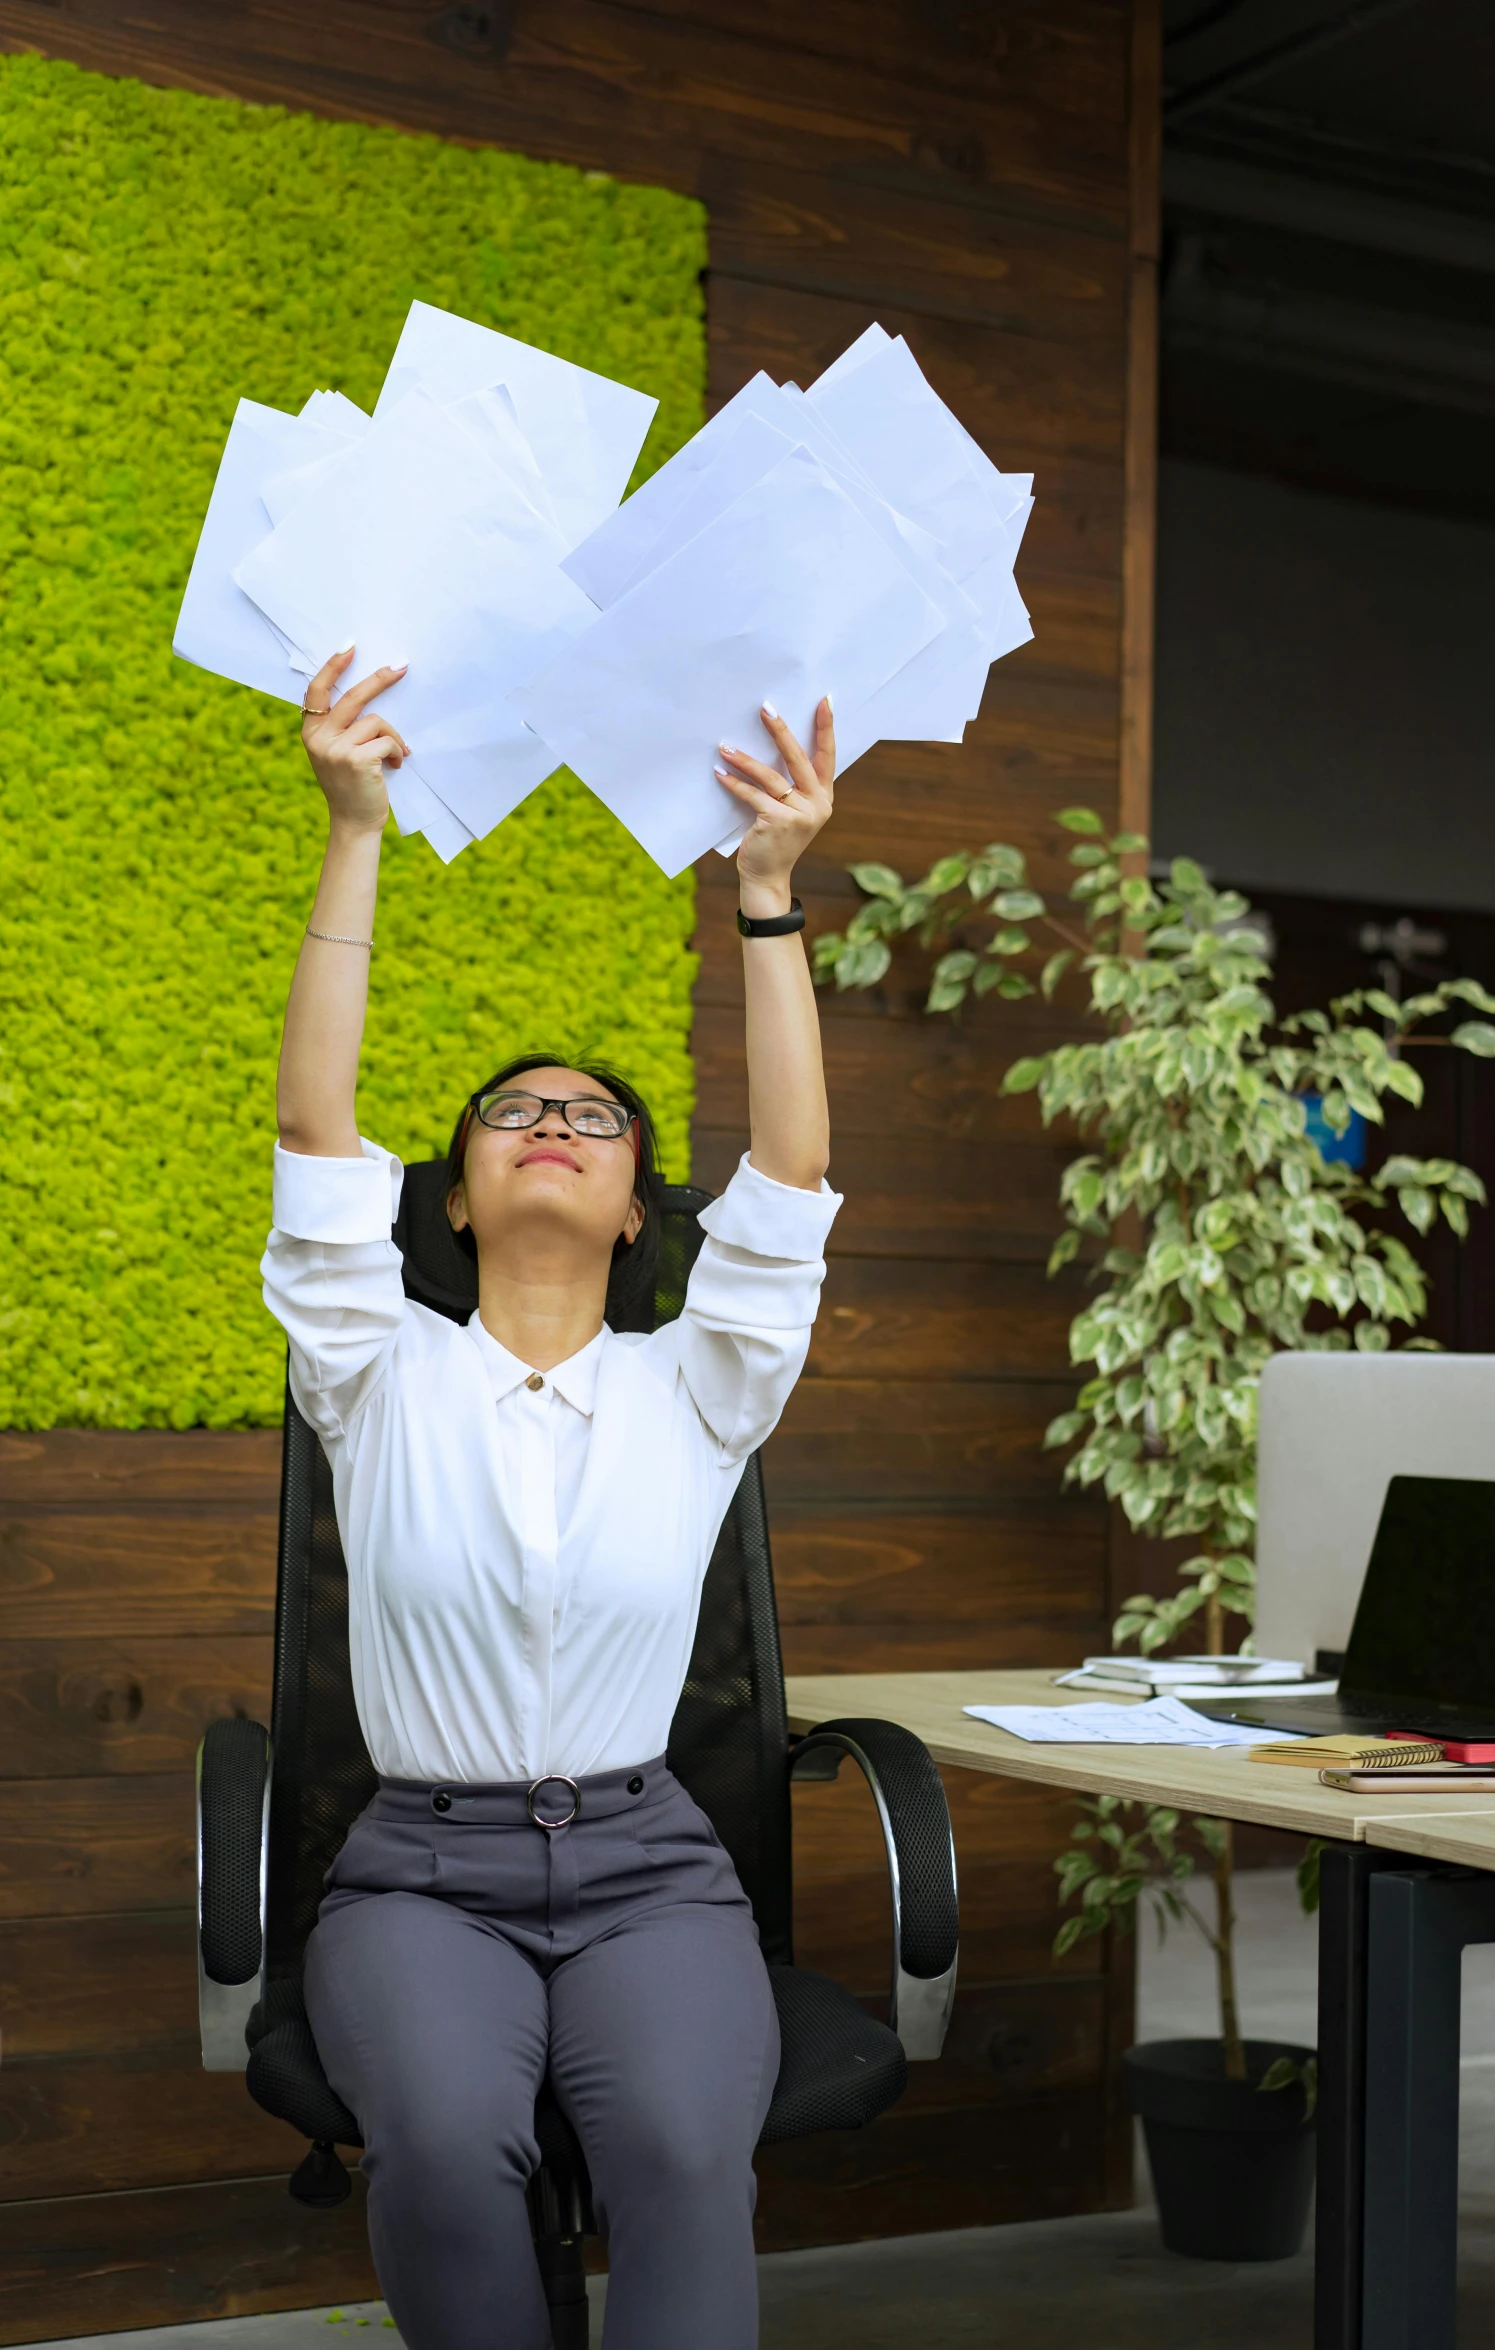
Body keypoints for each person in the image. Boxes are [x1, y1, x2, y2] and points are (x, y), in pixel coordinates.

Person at [261, 649, 841, 2350]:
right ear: (450, 1195)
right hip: (417, 1879)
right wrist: (353, 828)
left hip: (651, 1867)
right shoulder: (370, 1371)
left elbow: (789, 1181)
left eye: (591, 1117)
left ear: (635, 1206)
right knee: (441, 2151)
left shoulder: (699, 1387)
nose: (551, 1122)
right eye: (512, 1112)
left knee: (678, 2149)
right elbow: (312, 1127)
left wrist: (766, 896)